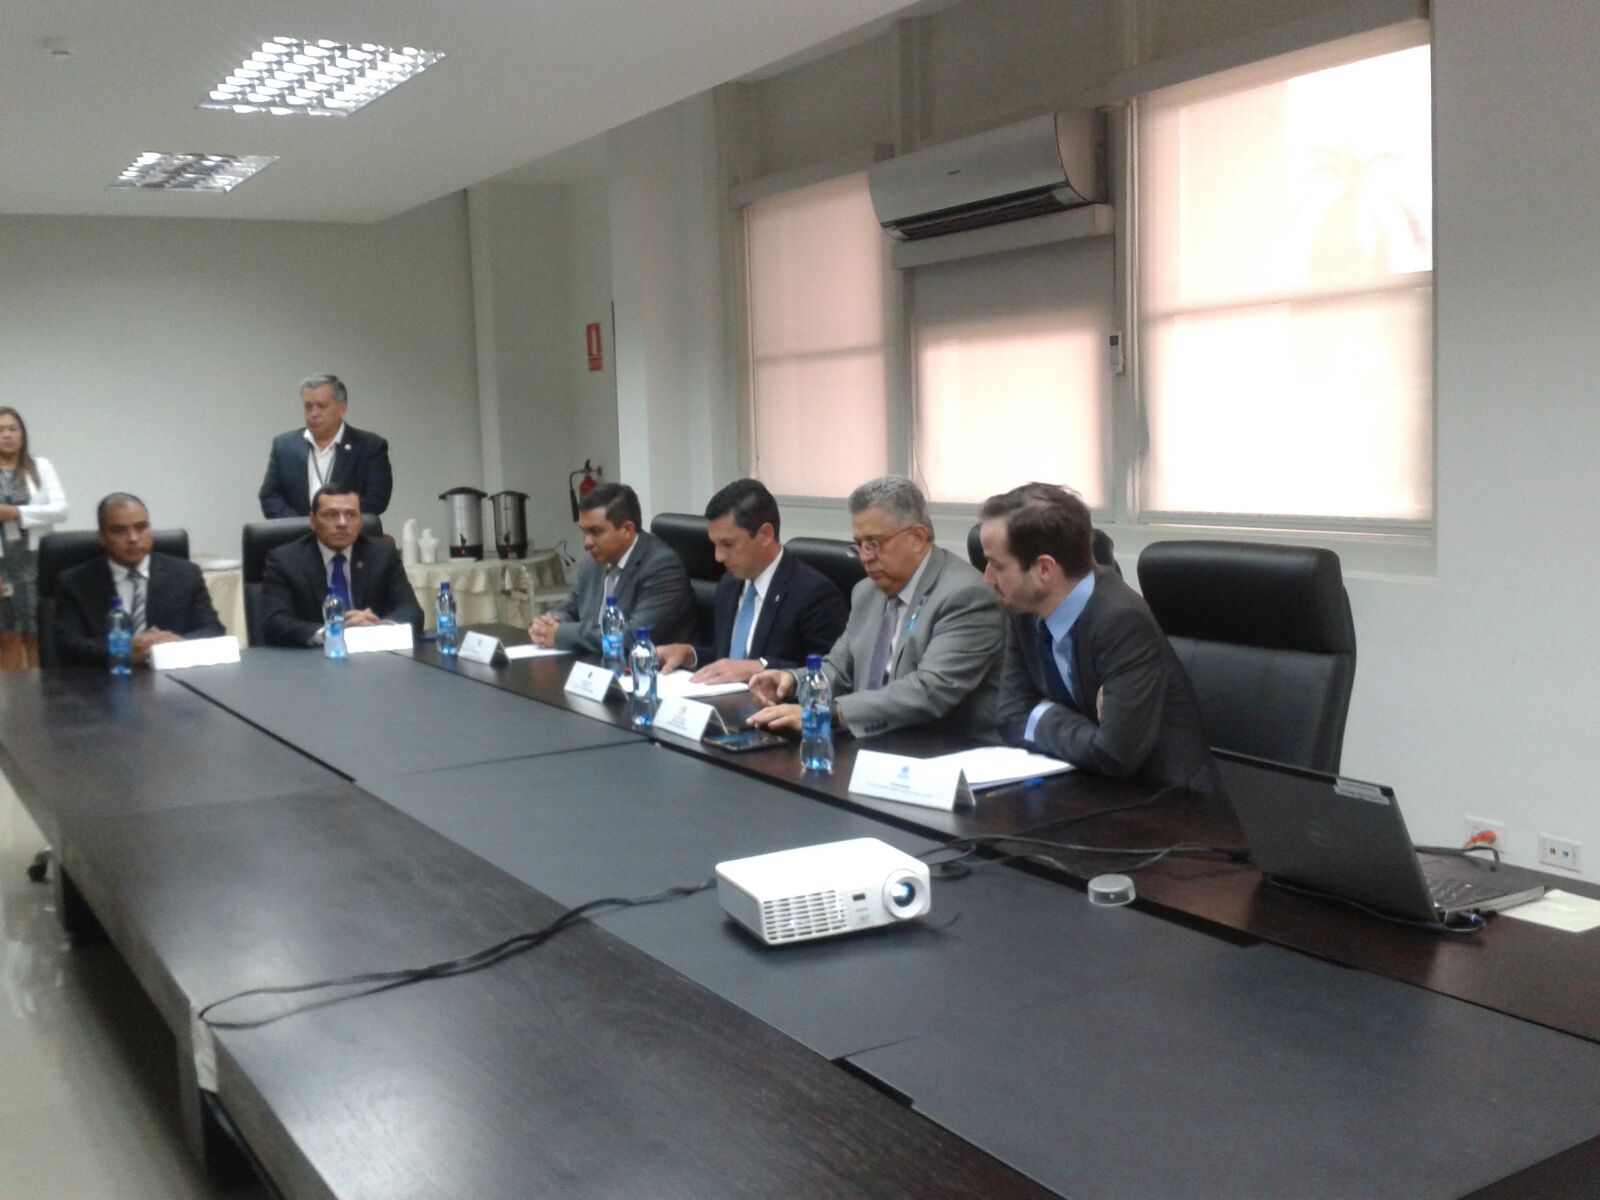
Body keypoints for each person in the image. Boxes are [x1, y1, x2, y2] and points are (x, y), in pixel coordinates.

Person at [977, 482, 1217, 792]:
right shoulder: (1023, 609)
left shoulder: (1121, 621)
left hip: (1167, 801)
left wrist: (1040, 714)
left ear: (1044, 569)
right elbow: (1011, 717)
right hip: (1084, 786)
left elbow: (1114, 754)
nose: (987, 578)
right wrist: (1088, 730)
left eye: (997, 565)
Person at [748, 475, 1001, 740]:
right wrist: (793, 681)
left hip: (942, 747)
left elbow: (929, 690)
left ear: (917, 538)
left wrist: (832, 713)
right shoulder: (866, 592)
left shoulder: (965, 595)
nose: (865, 557)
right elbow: (840, 669)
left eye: (874, 544)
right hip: (875, 743)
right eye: (859, 545)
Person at [655, 479, 848, 683]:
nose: (718, 557)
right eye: (715, 545)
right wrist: (689, 654)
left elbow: (829, 675)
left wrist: (761, 666)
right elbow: (728, 662)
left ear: (765, 535)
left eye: (728, 544)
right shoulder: (729, 584)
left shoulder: (814, 593)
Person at [53, 494, 225, 668]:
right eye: (119, 531)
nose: (133, 538)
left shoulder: (186, 574)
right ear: (101, 538)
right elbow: (67, 644)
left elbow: (213, 631)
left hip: (172, 676)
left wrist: (176, 643)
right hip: (106, 678)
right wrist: (122, 653)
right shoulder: (75, 581)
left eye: (141, 527)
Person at [527, 482, 694, 652]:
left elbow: (632, 639)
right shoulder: (592, 562)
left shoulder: (661, 567)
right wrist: (547, 624)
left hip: (642, 665)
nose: (587, 542)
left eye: (596, 532)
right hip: (593, 661)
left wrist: (561, 634)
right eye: (584, 532)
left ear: (627, 529)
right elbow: (571, 608)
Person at [260, 485, 421, 647]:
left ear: (360, 521)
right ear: (313, 521)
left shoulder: (383, 554)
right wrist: (332, 632)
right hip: (315, 655)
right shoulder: (285, 560)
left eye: (351, 515)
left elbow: (411, 611)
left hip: (373, 651)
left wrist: (379, 627)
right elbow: (276, 623)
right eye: (331, 515)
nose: (342, 523)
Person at [258, 374, 393, 518]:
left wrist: (333, 521)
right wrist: (302, 525)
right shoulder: (284, 446)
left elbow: (376, 499)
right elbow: (269, 496)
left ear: (342, 408)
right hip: (295, 530)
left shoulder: (370, 446)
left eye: (321, 406)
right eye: (308, 406)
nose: (313, 414)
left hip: (346, 530)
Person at [0, 407, 68, 671]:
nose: (6, 435)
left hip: (36, 561)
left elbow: (60, 510)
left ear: (22, 435)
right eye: (0, 430)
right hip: (3, 565)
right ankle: (11, 694)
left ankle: (42, 691)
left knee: (37, 632)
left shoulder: (40, 466)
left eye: (12, 429)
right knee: (7, 635)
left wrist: (17, 513)